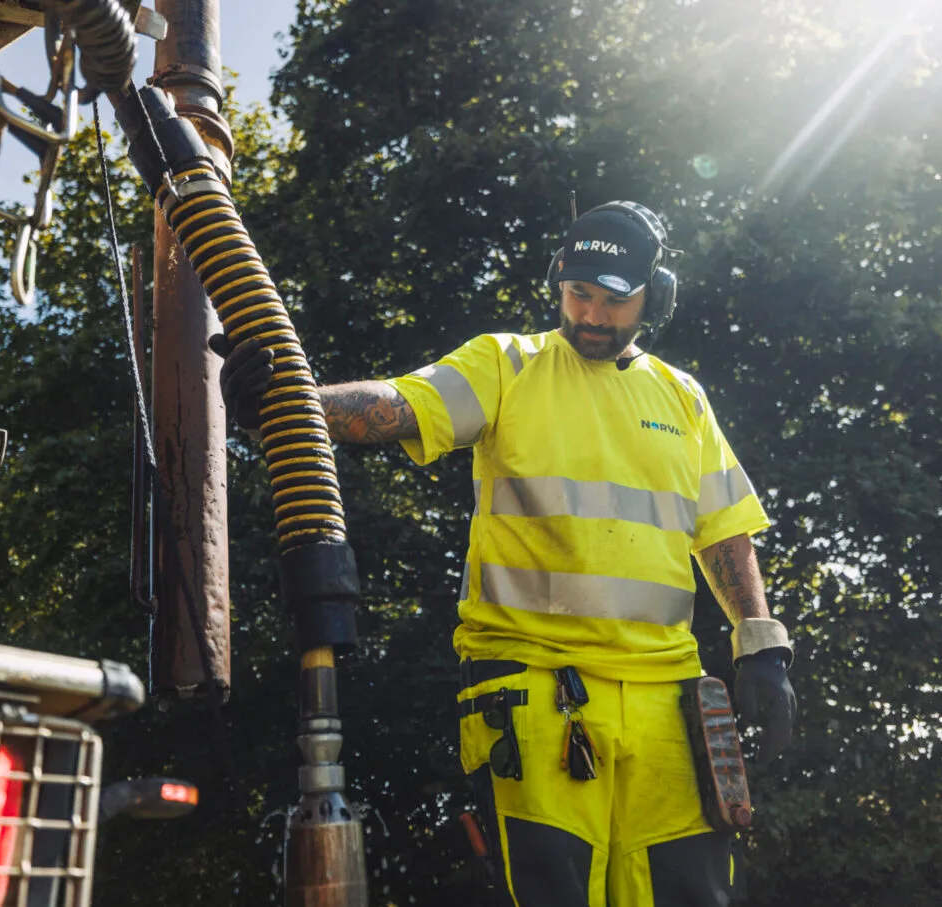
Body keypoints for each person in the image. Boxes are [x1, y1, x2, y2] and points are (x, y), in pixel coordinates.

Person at [213, 201, 797, 906]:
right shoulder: (506, 365)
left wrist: (760, 644)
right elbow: (396, 404)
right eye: (578, 293)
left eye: (615, 300)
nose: (591, 314)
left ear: (657, 296)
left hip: (668, 703)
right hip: (535, 696)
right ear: (557, 282)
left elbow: (725, 530)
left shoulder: (684, 398)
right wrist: (289, 400)